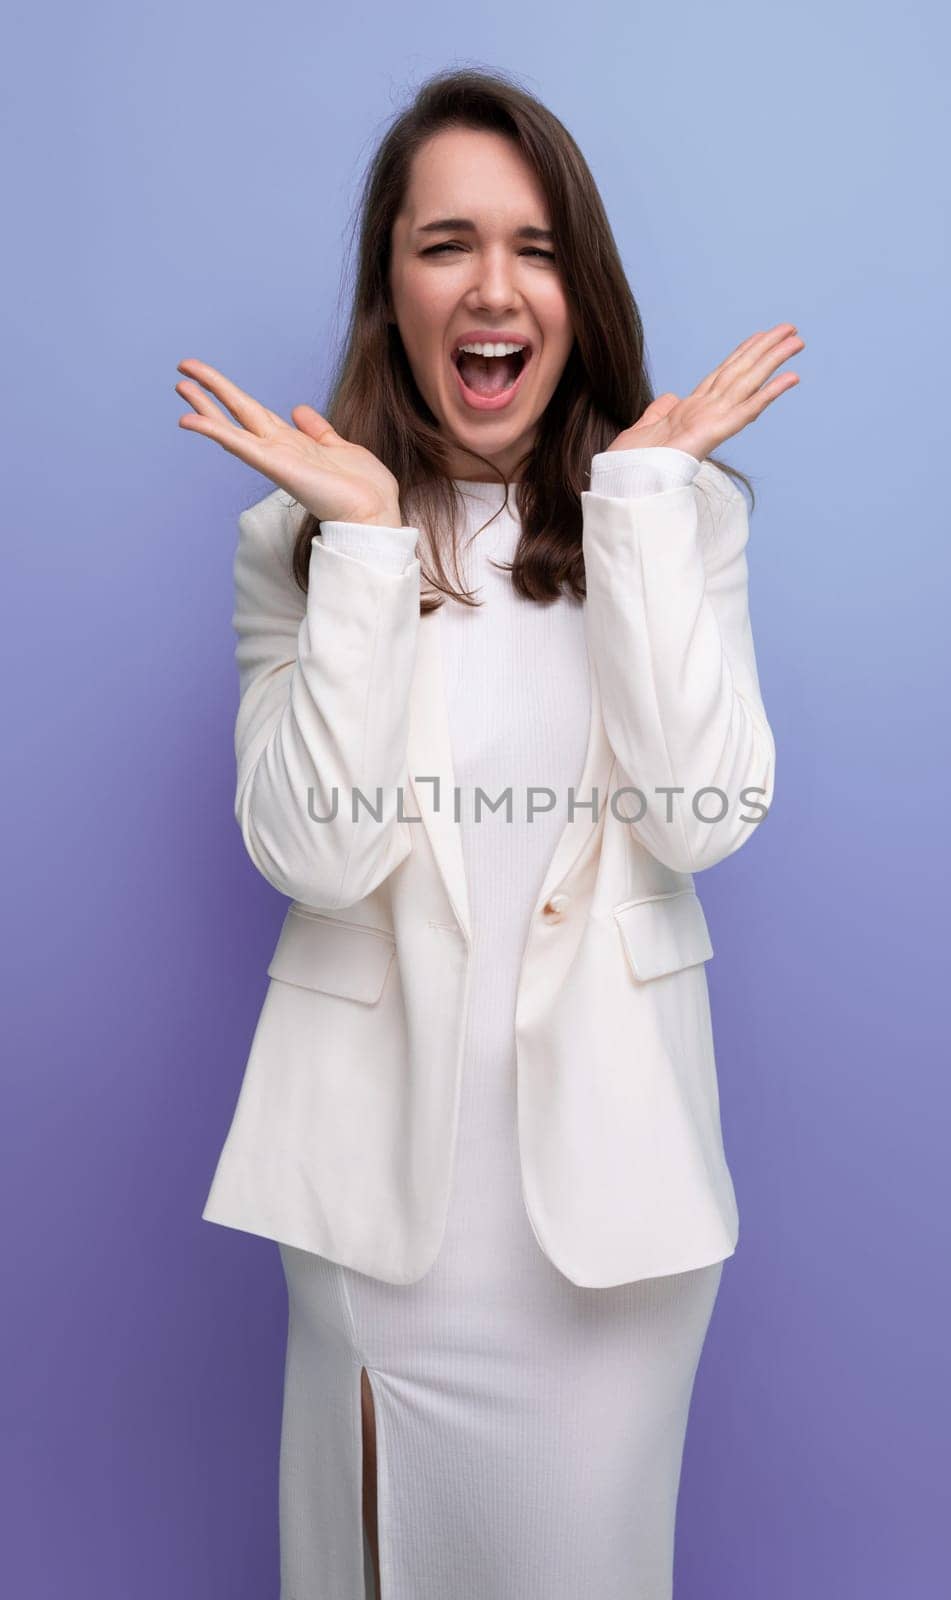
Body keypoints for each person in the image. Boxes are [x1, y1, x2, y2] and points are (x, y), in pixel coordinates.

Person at [179, 66, 800, 1600]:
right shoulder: (299, 541)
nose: (492, 284)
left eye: (531, 246)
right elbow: (316, 855)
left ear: (575, 292)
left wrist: (648, 498)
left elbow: (702, 811)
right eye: (445, 242)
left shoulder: (676, 520)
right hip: (380, 1232)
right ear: (392, 287)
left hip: (609, 1235)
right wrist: (372, 554)